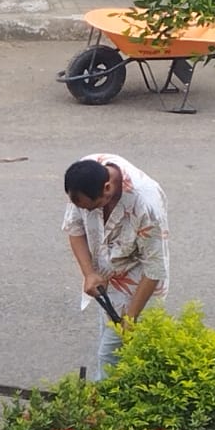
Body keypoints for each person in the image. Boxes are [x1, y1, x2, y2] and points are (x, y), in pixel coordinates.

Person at [62, 155, 169, 381]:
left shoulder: (146, 205)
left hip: (139, 277)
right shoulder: (84, 177)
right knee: (114, 347)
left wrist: (130, 318)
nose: (87, 212)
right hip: (108, 273)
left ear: (107, 188)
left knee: (110, 354)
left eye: (93, 208)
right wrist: (89, 274)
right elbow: (75, 227)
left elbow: (154, 267)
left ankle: (104, 400)